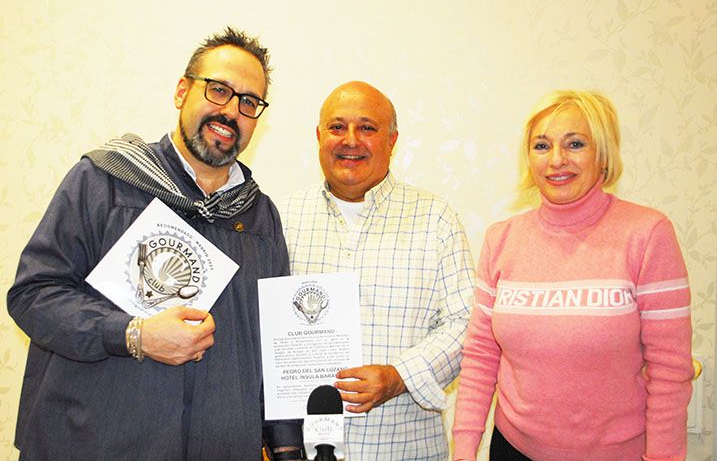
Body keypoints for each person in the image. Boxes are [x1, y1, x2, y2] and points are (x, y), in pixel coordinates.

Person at [7, 27, 303, 461]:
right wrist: (134, 335)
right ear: (182, 91)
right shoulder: (105, 180)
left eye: (248, 102)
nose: (231, 111)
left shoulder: (259, 217)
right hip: (92, 443)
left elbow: (276, 346)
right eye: (218, 90)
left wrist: (286, 447)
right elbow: (33, 295)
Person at [452, 90, 693, 461]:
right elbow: (482, 354)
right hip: (514, 449)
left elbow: (670, 370)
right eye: (542, 145)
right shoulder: (502, 239)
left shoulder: (647, 234)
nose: (557, 160)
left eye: (575, 143)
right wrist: (465, 448)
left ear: (603, 154)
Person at [278, 81, 475, 460]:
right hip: (300, 451)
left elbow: (466, 325)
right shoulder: (280, 219)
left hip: (406, 447)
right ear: (319, 137)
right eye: (337, 127)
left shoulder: (436, 219)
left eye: (367, 128)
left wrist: (398, 376)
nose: (350, 140)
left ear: (392, 139)